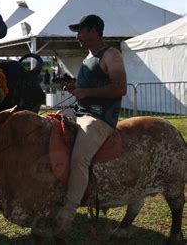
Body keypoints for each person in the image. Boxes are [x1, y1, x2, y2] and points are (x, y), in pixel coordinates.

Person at [55, 14, 127, 238]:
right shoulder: (88, 57)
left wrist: (86, 92)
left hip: (99, 118)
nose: (78, 35)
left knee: (80, 158)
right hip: (80, 112)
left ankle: (67, 214)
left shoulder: (112, 55)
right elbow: (91, 87)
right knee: (47, 125)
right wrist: (75, 87)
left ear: (95, 30)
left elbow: (120, 88)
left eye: (82, 31)